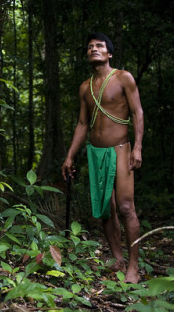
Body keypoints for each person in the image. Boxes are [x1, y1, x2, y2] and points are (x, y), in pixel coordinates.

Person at [61, 32, 144, 284]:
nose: (93, 49)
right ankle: (117, 258)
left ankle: (133, 265)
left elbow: (138, 112)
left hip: (120, 149)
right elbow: (83, 123)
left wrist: (138, 147)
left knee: (126, 207)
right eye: (89, 47)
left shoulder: (123, 78)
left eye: (99, 46)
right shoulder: (85, 87)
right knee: (105, 210)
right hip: (95, 153)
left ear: (109, 53)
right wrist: (70, 156)